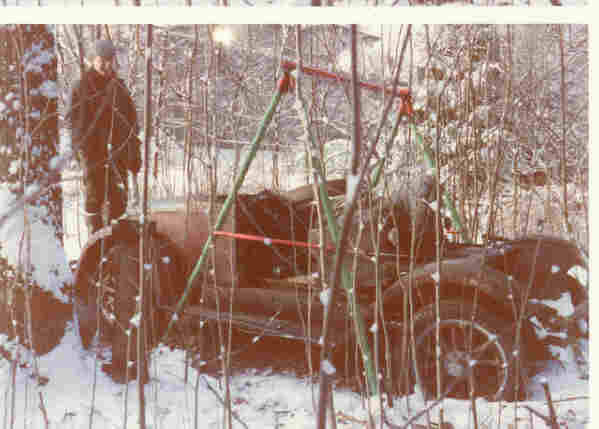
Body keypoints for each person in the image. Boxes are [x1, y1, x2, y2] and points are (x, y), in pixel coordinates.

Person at [69, 39, 141, 235]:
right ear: (94, 60)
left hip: (118, 156)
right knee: (94, 201)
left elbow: (131, 125)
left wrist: (134, 154)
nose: (107, 65)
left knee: (119, 204)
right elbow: (76, 126)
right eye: (103, 60)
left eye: (110, 60)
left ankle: (115, 250)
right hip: (93, 156)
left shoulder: (119, 88)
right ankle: (95, 249)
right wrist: (84, 155)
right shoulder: (82, 87)